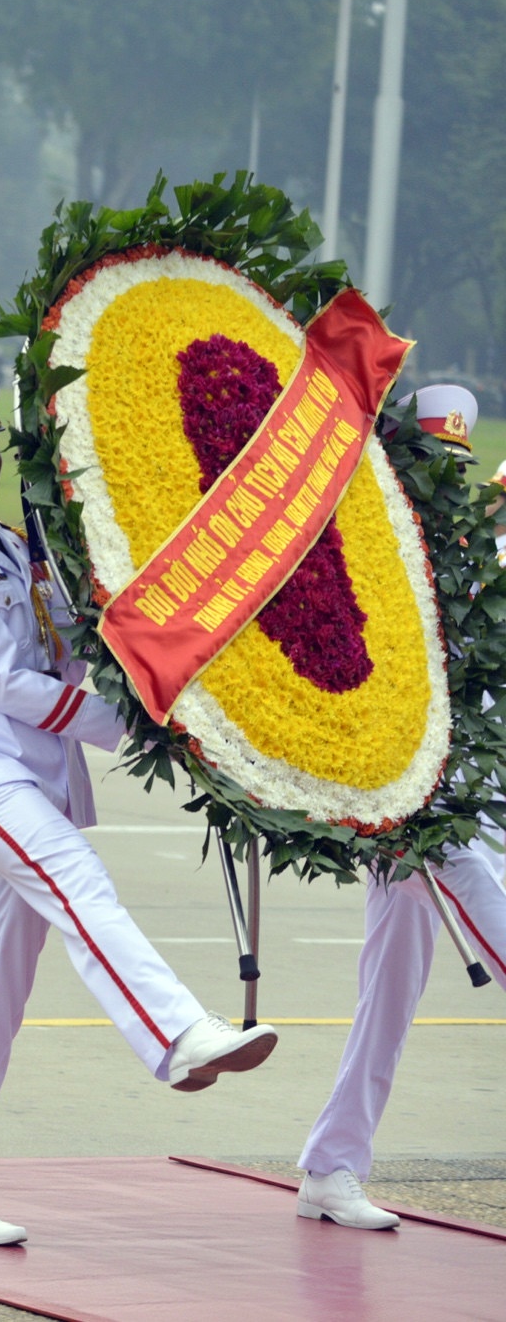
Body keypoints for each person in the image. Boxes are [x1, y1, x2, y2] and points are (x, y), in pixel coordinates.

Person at [0, 362, 277, 1247]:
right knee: (77, 878)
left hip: (39, 773)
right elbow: (6, 683)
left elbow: (67, 649)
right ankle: (176, 1033)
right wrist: (141, 725)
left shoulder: (14, 542)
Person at [296, 384, 506, 1229]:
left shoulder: (481, 558)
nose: (443, 489)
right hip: (419, 814)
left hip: (483, 799)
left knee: (386, 996)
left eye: (456, 472)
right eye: (428, 470)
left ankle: (331, 1164)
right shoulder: (366, 562)